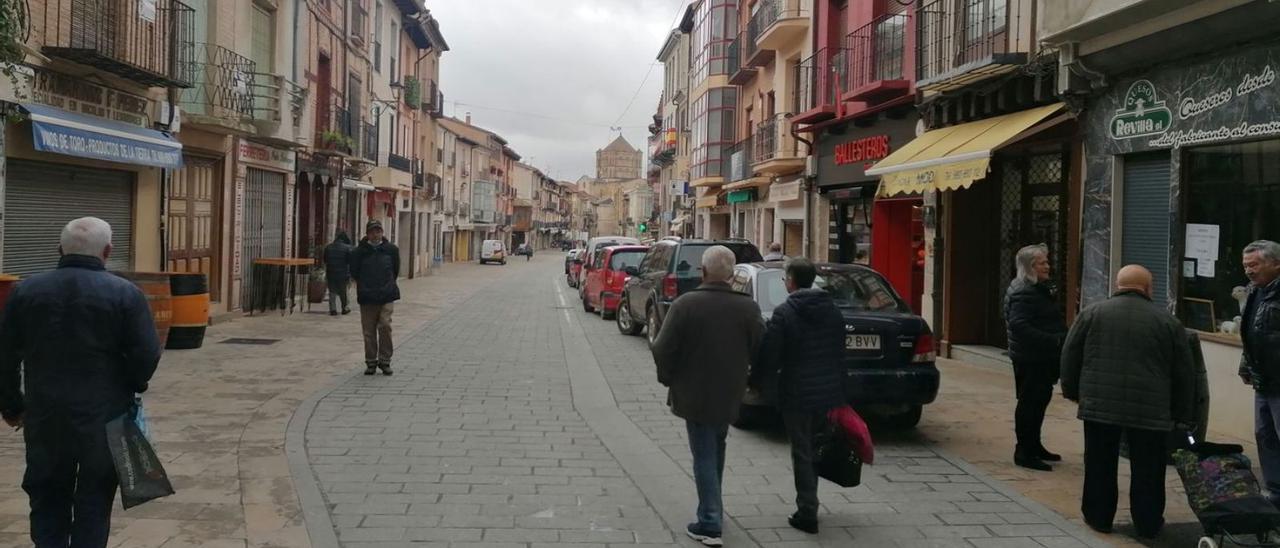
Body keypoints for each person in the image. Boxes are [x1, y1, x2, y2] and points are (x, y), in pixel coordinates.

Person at [0, 217, 162, 548]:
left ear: (59, 249)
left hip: (44, 417)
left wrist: (12, 406)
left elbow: (4, 356)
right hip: (104, 418)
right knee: (94, 500)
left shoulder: (25, 292)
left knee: (46, 496)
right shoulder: (126, 295)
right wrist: (129, 387)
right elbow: (146, 357)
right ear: (107, 251)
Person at [1061, 265, 1195, 539]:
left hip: (1100, 405)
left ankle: (1099, 517)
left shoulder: (1092, 313)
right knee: (1148, 467)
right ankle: (1147, 522)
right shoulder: (1167, 322)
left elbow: (1070, 354)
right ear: (1147, 288)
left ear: (1117, 285)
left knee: (1099, 461)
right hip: (1151, 408)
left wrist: (1074, 391)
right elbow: (1184, 371)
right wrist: (1181, 411)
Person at [651, 245, 764, 547]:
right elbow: (761, 350)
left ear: (703, 272)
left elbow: (662, 347)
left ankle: (710, 522)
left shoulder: (686, 304)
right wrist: (752, 380)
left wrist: (668, 377)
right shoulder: (748, 308)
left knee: (703, 453)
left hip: (694, 392)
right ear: (731, 275)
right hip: (730, 392)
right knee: (716, 446)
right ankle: (714, 508)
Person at [752, 257, 846, 535]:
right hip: (828, 393)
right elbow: (840, 354)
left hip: (797, 393)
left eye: (785, 279)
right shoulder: (833, 311)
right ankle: (811, 499)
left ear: (791, 281)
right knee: (817, 446)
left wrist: (757, 381)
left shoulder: (785, 313)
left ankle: (807, 510)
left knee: (802, 451)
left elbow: (770, 354)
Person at [1004, 244, 1068, 471]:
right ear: (1030, 266)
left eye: (1047, 262)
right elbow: (1019, 325)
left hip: (1039, 357)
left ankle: (1034, 444)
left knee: (1039, 402)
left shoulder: (1033, 287)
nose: (1048, 267)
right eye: (1043, 263)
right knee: (1030, 404)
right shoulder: (1024, 291)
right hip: (1032, 358)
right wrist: (1054, 340)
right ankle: (1024, 451)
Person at [1238, 240, 1280, 505]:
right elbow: (1252, 333)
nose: (1249, 271)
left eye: (1255, 265)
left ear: (1276, 263)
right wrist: (1246, 365)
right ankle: (1275, 493)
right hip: (1263, 381)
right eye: (1246, 266)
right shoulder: (1254, 291)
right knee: (1265, 437)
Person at [350, 220, 400, 376]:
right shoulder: (359, 252)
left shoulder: (391, 250)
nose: (376, 234)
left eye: (378, 231)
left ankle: (385, 361)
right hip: (367, 296)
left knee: (385, 326)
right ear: (367, 233)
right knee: (369, 331)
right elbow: (354, 272)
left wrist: (388, 284)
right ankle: (371, 361)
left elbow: (395, 270)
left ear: (382, 232)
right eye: (372, 231)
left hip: (386, 295)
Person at [323, 231, 354, 316]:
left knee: (332, 291)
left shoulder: (328, 247)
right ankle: (344, 308)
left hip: (331, 272)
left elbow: (325, 260)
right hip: (343, 273)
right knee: (343, 291)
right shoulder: (347, 248)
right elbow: (350, 261)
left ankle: (333, 309)